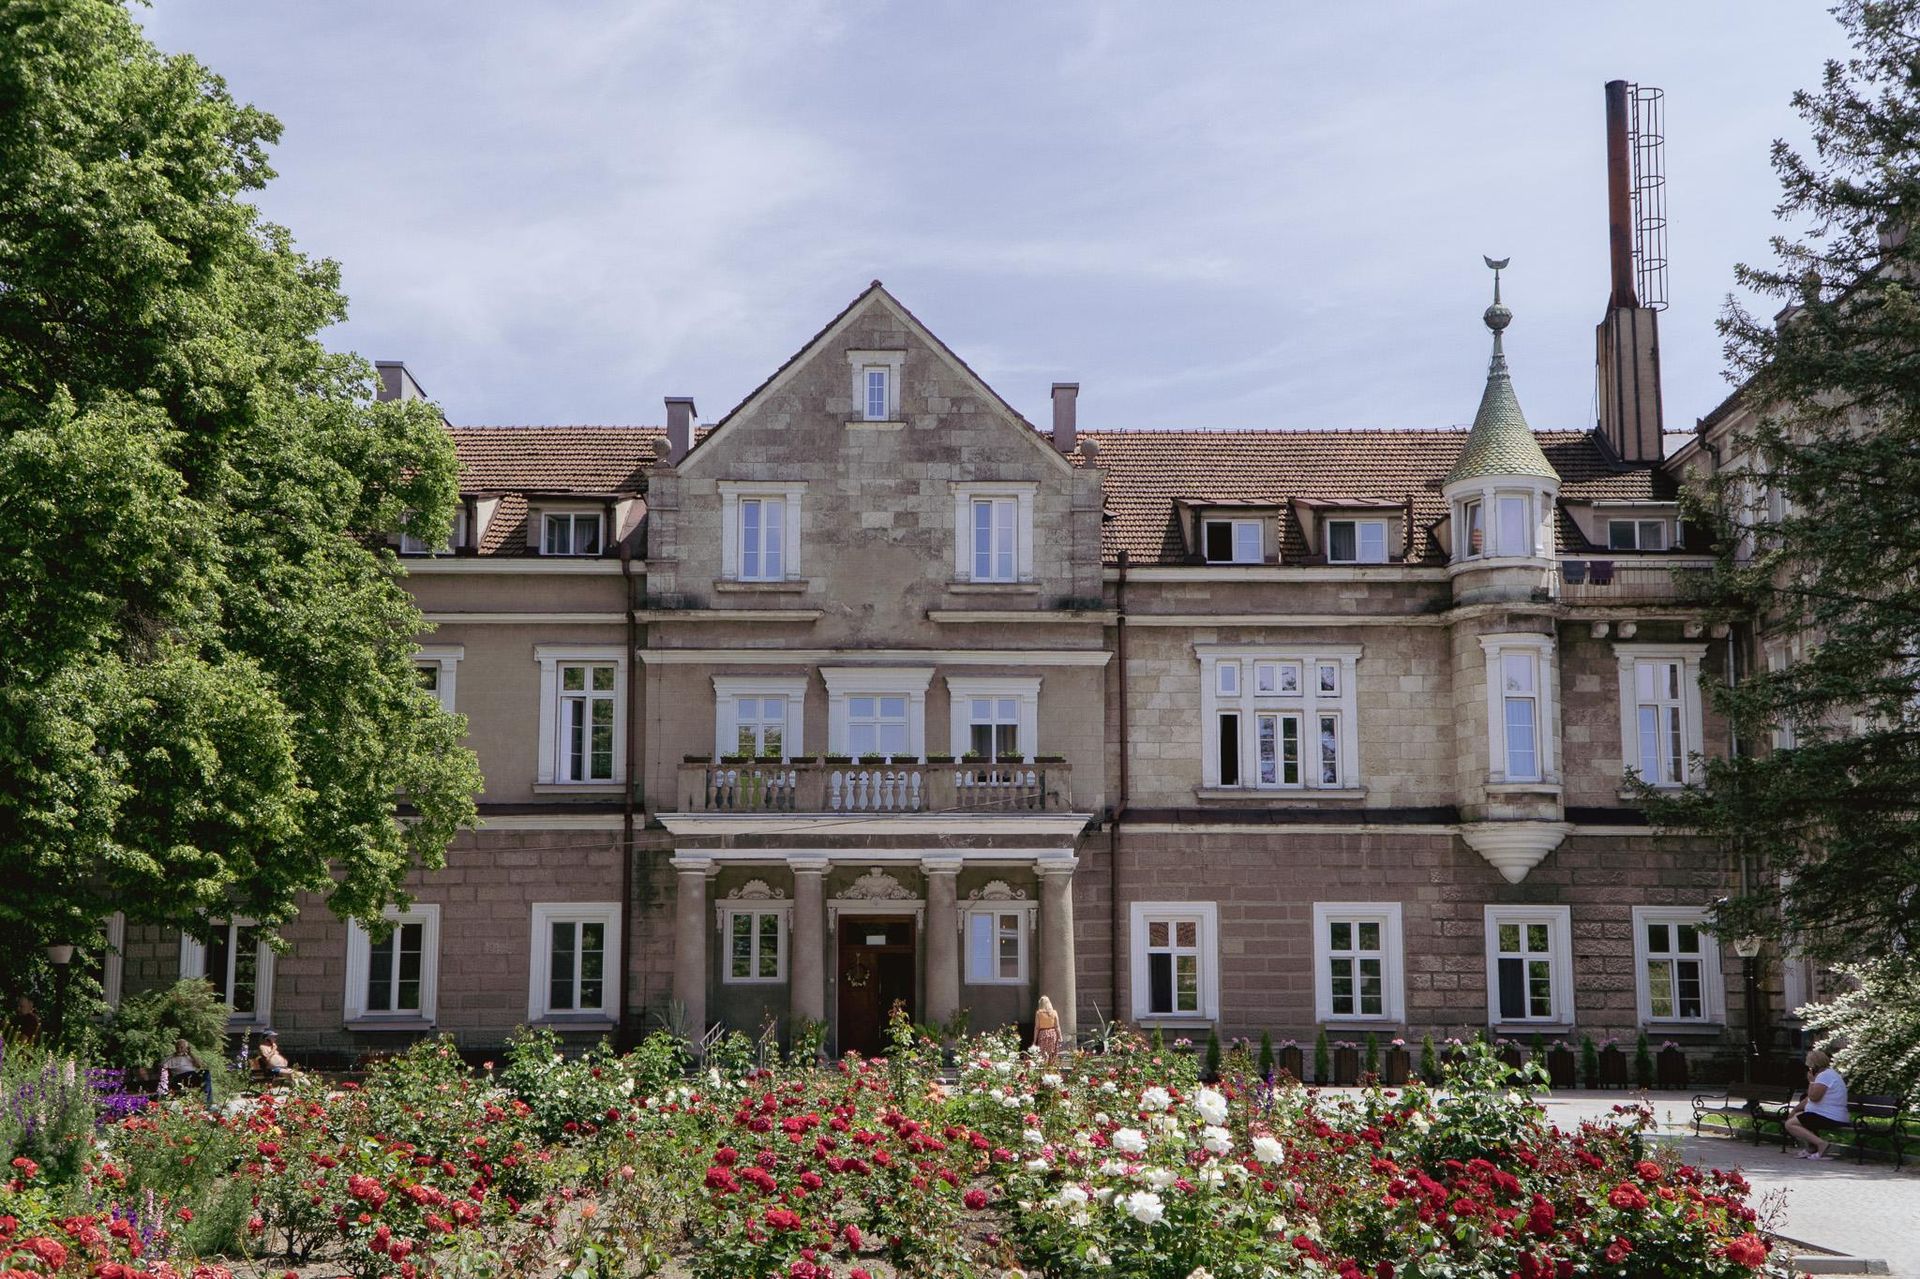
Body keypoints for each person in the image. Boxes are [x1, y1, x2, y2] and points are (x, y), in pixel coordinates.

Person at [1784, 1048, 1849, 1159]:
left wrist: (1811, 1082)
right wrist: (1795, 1110)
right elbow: (1809, 1098)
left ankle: (1821, 1144)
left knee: (1790, 1124)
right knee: (1796, 1117)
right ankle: (1812, 1148)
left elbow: (1814, 1097)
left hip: (1830, 1116)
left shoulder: (1824, 1076)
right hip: (1825, 1114)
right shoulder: (1826, 1074)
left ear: (1814, 1064)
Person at [1032, 995, 1061, 1060]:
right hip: (1053, 1033)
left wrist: (1034, 1040)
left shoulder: (1039, 1013)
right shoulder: (1054, 1012)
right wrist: (1060, 1037)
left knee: (1043, 1053)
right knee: (1052, 1053)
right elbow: (1057, 1026)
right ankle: (1052, 1068)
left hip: (1043, 1033)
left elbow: (1037, 1027)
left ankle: (1044, 1068)